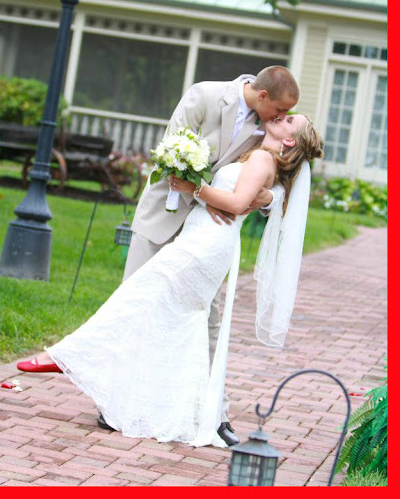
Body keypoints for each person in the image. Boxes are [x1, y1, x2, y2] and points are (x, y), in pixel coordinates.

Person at [17, 113, 324, 450]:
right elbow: (251, 200)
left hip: (204, 246)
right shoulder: (262, 157)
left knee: (136, 297)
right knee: (171, 323)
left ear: (290, 140)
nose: (281, 115)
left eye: (289, 119)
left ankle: (68, 357)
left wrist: (195, 188)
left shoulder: (264, 158)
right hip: (205, 242)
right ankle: (167, 407)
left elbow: (236, 205)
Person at [120, 65, 300, 445]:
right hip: (163, 218)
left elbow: (282, 174)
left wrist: (266, 197)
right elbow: (169, 153)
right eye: (279, 113)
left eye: (287, 117)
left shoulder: (268, 131)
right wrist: (203, 194)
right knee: (133, 305)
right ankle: (116, 402)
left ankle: (215, 413)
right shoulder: (204, 95)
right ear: (263, 96)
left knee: (210, 320)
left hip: (208, 237)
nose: (281, 120)